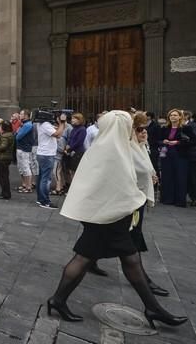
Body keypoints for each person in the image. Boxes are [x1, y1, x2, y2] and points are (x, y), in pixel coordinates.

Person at [47, 111, 187, 330]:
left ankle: (152, 308)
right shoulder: (115, 151)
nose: (134, 129)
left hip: (105, 215)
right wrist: (137, 197)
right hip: (108, 217)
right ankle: (58, 300)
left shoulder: (102, 148)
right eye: (131, 126)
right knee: (93, 258)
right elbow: (123, 185)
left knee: (122, 258)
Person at [130, 112, 168, 296]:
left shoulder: (141, 147)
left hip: (139, 198)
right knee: (131, 239)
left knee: (97, 240)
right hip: (130, 202)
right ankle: (143, 279)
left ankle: (91, 260)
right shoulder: (128, 149)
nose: (144, 133)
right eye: (139, 130)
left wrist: (151, 175)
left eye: (145, 129)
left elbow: (146, 167)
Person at [158, 109, 189, 207]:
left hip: (180, 156)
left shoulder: (185, 128)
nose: (173, 117)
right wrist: (164, 141)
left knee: (180, 177)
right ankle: (168, 199)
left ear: (180, 117)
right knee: (167, 177)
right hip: (166, 155)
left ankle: (179, 201)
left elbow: (191, 141)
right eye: (171, 115)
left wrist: (178, 142)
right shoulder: (165, 128)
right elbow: (157, 140)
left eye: (175, 115)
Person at [35, 114, 67, 209]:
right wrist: (62, 122)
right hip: (47, 154)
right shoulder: (46, 125)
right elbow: (58, 134)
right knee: (46, 179)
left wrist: (60, 124)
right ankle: (45, 201)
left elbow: (58, 130)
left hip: (42, 153)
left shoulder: (41, 124)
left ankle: (40, 199)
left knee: (41, 177)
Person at [15, 109, 35, 193]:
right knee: (21, 168)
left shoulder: (27, 125)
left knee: (26, 168)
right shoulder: (24, 124)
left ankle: (28, 187)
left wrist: (18, 132)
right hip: (21, 148)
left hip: (25, 149)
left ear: (26, 115)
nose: (19, 115)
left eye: (21, 114)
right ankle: (24, 184)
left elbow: (18, 136)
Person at [0, 121, 15, 200]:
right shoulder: (9, 134)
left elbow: (3, 147)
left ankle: (5, 193)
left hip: (3, 158)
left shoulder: (5, 136)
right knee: (4, 176)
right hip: (6, 158)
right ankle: (5, 193)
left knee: (3, 177)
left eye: (0, 127)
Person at [64, 113, 87, 184]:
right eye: (72, 118)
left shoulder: (82, 129)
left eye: (74, 118)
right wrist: (67, 146)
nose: (72, 120)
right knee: (71, 170)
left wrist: (70, 147)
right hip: (71, 152)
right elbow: (70, 139)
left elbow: (79, 142)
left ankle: (75, 188)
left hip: (78, 152)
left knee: (75, 171)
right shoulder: (74, 129)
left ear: (79, 120)